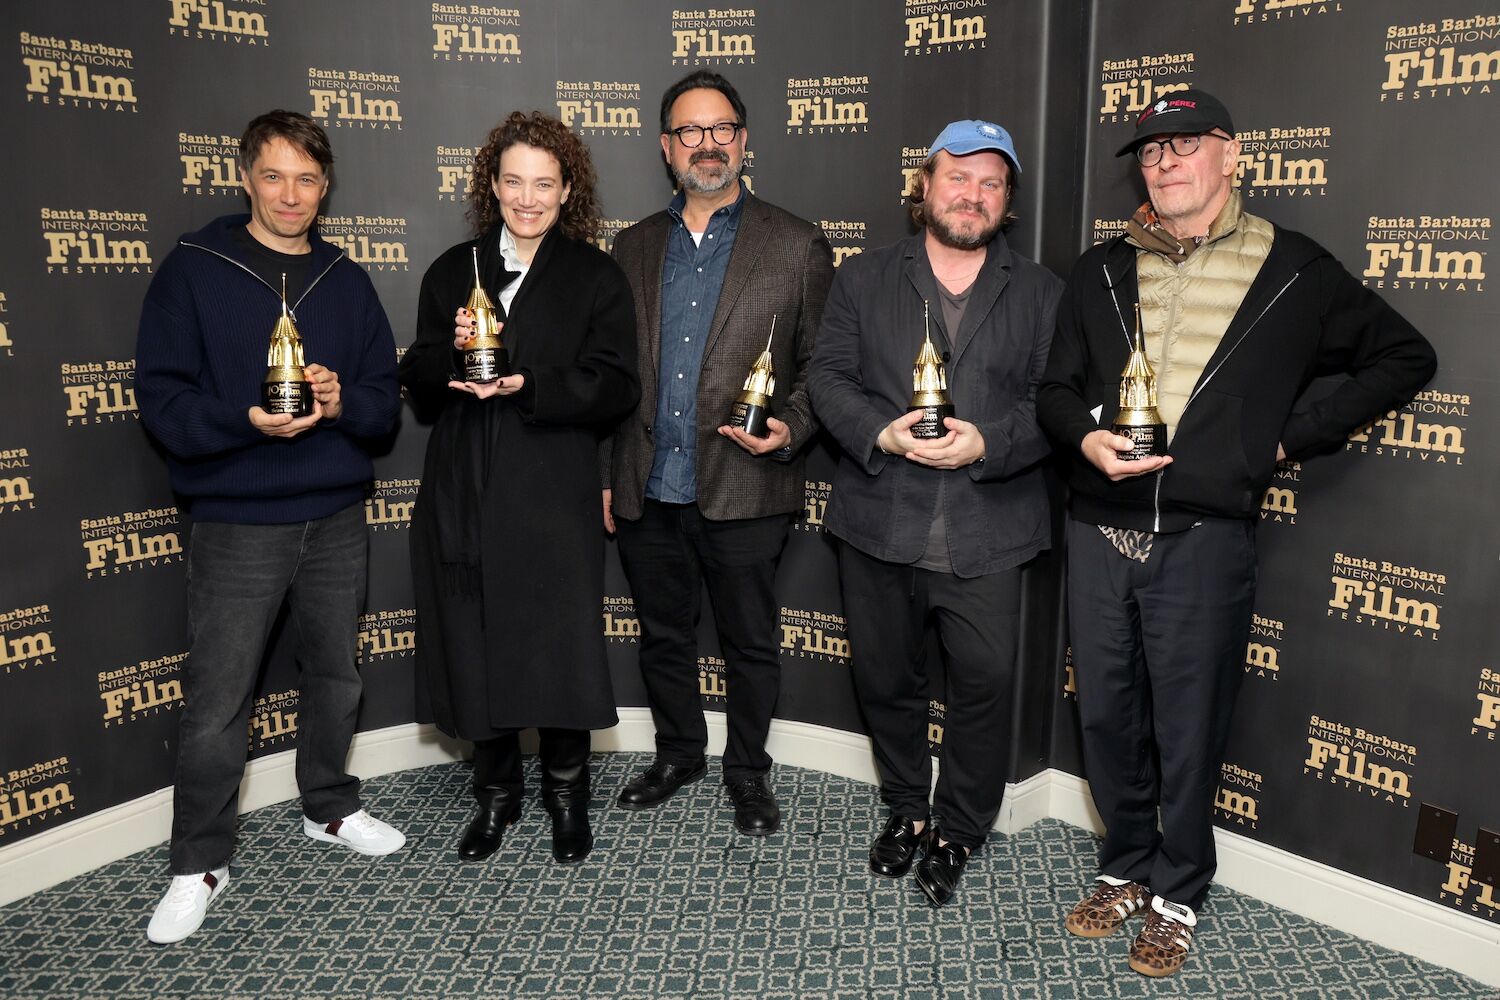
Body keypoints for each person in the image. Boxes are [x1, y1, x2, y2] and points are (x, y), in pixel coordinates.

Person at [1037, 89, 1436, 977]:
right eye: (1149, 151)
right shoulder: (1100, 268)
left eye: (1184, 145)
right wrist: (1084, 436)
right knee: (1105, 717)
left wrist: (1284, 438)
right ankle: (1126, 866)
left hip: (1205, 538)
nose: (1165, 162)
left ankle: (1178, 890)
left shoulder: (1292, 268)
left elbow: (1406, 357)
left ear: (1233, 154)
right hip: (1099, 529)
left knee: (1188, 723)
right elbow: (1055, 390)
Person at [135, 110, 405, 945]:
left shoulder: (346, 279)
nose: (291, 195)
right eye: (275, 176)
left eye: (308, 180)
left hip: (334, 515)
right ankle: (198, 860)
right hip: (237, 520)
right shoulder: (194, 268)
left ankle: (326, 805)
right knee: (219, 701)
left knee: (337, 677)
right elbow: (163, 400)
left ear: (326, 189)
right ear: (245, 175)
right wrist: (244, 420)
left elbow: (382, 405)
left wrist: (334, 402)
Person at [809, 120, 1061, 906]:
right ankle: (907, 812)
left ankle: (958, 829)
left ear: (1007, 201)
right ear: (924, 185)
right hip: (880, 521)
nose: (972, 194)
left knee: (985, 688)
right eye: (958, 177)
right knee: (887, 681)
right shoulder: (863, 277)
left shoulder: (1045, 291)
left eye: (991, 183)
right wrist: (878, 431)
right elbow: (827, 377)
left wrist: (988, 441)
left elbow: (1052, 403)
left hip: (990, 531)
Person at [399, 111, 639, 866]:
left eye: (544, 184)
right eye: (513, 182)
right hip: (464, 483)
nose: (527, 199)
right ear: (492, 186)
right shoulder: (451, 270)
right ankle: (496, 798)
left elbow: (616, 385)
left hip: (550, 484)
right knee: (474, 642)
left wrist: (529, 382)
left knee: (557, 641)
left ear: (568, 190)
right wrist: (448, 365)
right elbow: (419, 380)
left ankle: (568, 798)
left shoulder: (595, 275)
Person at [605, 71, 834, 836]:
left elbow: (823, 372)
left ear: (744, 139)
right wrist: (610, 472)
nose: (709, 145)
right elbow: (612, 375)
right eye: (690, 132)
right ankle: (678, 755)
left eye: (722, 128)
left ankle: (749, 774)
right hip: (649, 483)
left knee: (748, 642)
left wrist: (791, 431)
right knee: (663, 636)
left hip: (745, 483)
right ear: (667, 148)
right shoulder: (630, 245)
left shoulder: (796, 243)